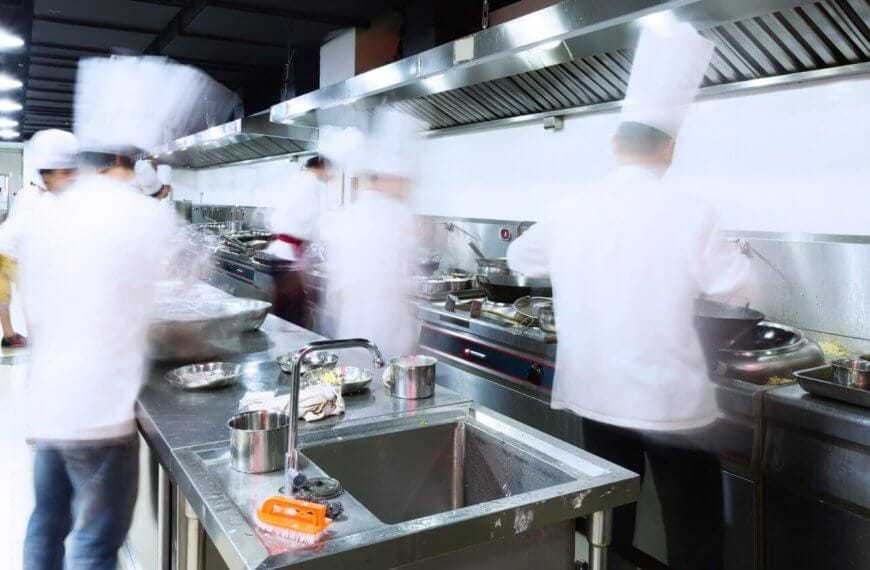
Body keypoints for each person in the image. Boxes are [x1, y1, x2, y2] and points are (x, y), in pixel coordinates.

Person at [507, 24, 755, 570]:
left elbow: (519, 259)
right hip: (669, 403)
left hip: (598, 392)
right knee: (693, 531)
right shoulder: (691, 210)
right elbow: (738, 288)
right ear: (670, 147)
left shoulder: (575, 205)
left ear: (616, 145)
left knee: (605, 525)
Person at [20, 55, 234, 569]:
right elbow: (192, 274)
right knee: (96, 542)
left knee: (46, 523)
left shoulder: (53, 209)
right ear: (131, 159)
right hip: (99, 413)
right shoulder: (141, 213)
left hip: (49, 402)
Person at [325, 109, 420, 359]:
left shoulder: (351, 211)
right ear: (390, 177)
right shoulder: (395, 215)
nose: (408, 188)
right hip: (385, 330)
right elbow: (402, 277)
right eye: (405, 181)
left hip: (352, 326)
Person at [0, 129, 78, 347]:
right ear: (47, 174)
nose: (72, 177)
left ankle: (14, 336)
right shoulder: (39, 202)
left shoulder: (48, 199)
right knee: (17, 296)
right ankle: (14, 336)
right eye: (65, 172)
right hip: (8, 251)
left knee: (14, 297)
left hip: (13, 249)